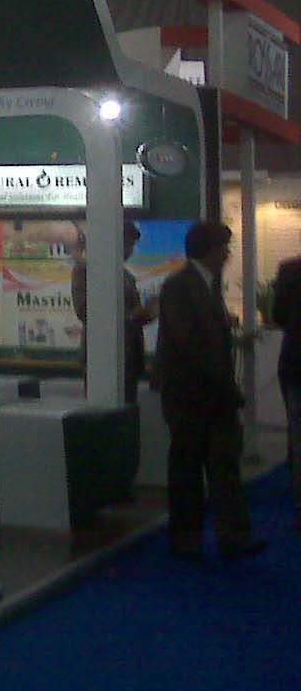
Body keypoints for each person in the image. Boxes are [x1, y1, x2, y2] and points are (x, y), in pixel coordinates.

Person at [153, 221, 265, 560]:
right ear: (209, 250)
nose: (228, 254)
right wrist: (223, 382)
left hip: (212, 394)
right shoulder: (179, 286)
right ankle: (187, 539)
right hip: (188, 395)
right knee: (187, 468)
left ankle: (234, 537)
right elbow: (189, 343)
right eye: (224, 247)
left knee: (224, 466)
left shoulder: (205, 285)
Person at [71, 221, 158, 403]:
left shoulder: (126, 276)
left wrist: (149, 313)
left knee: (128, 409)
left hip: (130, 357)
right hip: (101, 357)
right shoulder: (85, 271)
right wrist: (133, 316)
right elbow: (85, 311)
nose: (129, 251)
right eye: (126, 244)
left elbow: (135, 314)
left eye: (132, 246)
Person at [267, 254, 301, 530]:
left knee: (298, 435)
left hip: (295, 363)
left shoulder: (289, 270)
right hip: (295, 365)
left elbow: (278, 316)